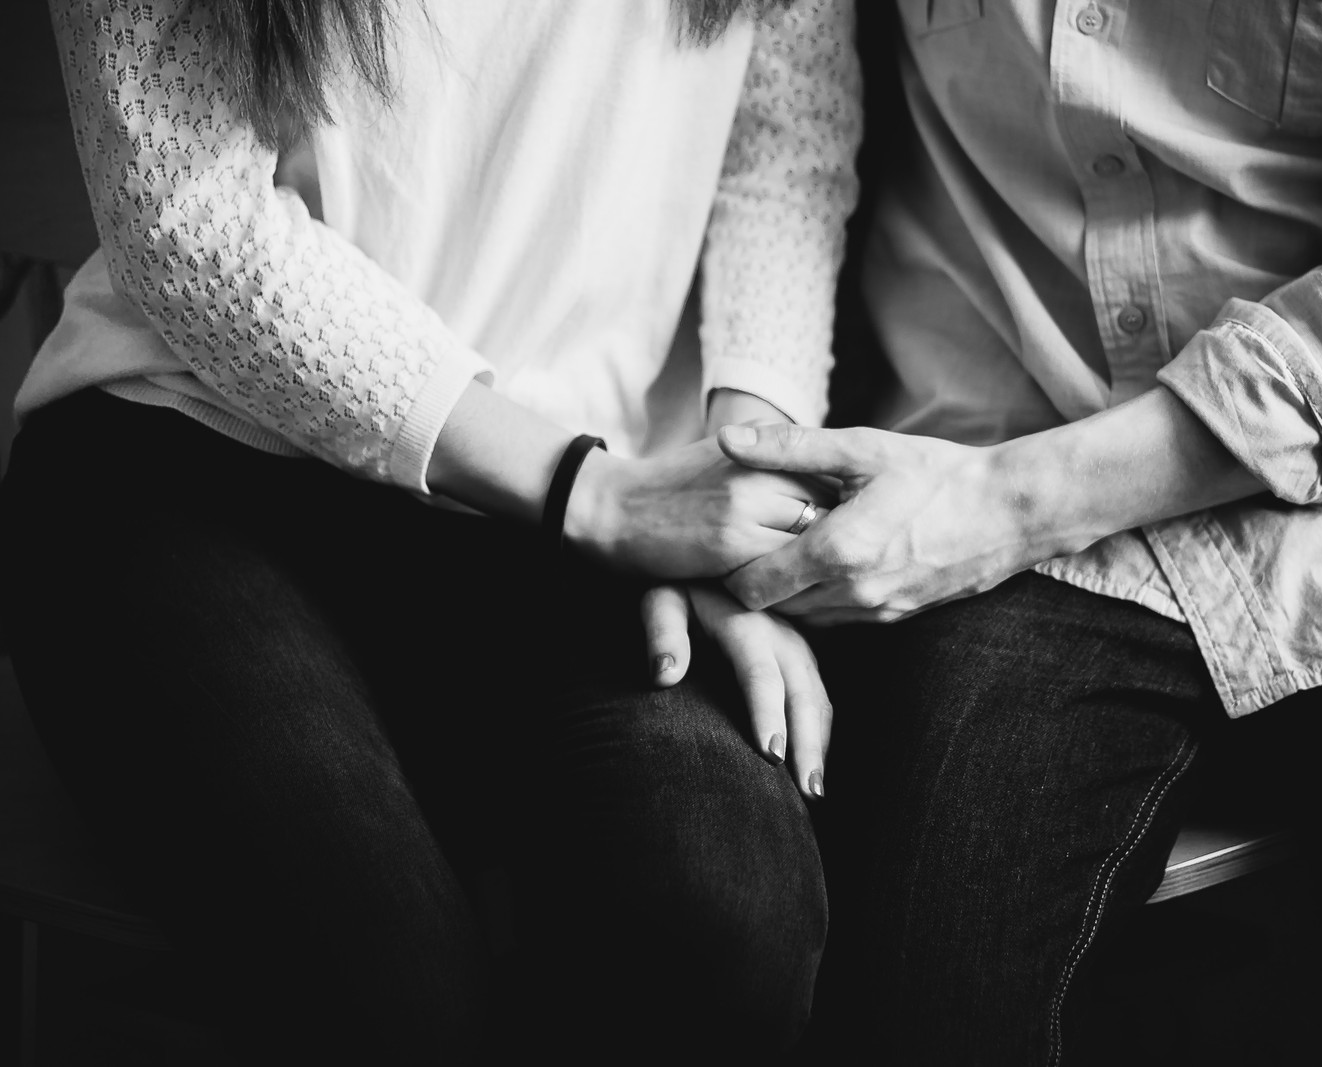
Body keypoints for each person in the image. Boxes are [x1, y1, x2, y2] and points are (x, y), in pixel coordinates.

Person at [695, 1, 1322, 1061]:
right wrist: (738, 498)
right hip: (995, 493)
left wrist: (1011, 502)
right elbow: (784, 138)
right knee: (903, 1006)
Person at [0, 0, 859, 1062]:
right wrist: (598, 496)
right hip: (195, 456)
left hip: (576, 517)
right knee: (393, 999)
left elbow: (781, 152)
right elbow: (186, 211)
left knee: (726, 919)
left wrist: (736, 505)